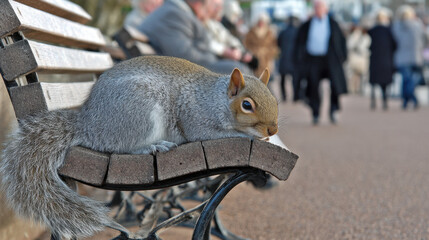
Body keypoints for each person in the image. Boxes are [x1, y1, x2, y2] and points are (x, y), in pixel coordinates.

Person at [137, 0, 250, 74]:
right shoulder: (173, 14)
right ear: (198, 4)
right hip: (168, 76)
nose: (208, 13)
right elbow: (185, 57)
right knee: (239, 71)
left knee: (238, 69)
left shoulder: (175, 11)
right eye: (208, 7)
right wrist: (212, 57)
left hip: (166, 72)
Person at [293, 0, 347, 125]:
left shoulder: (334, 24)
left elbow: (341, 42)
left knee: (335, 84)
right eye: (316, 7)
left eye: (320, 7)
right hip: (313, 59)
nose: (318, 10)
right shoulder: (307, 25)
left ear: (326, 9)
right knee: (313, 85)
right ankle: (315, 112)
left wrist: (343, 57)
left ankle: (333, 110)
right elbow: (299, 43)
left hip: (330, 59)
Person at [392, 5, 424, 110]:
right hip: (415, 57)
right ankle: (412, 98)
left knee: (405, 80)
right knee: (411, 80)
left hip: (401, 57)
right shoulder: (417, 25)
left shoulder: (396, 26)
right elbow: (423, 41)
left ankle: (406, 100)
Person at [368, 9, 397, 110]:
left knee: (374, 82)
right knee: (385, 83)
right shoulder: (389, 31)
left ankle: (373, 100)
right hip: (386, 59)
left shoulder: (372, 31)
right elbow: (395, 45)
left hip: (375, 60)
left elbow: (369, 45)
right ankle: (384, 100)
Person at [244, 12, 279, 77]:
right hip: (254, 58)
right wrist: (252, 52)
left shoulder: (269, 32)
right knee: (254, 76)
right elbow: (246, 43)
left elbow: (274, 45)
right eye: (260, 21)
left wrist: (269, 53)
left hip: (266, 59)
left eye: (262, 21)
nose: (261, 23)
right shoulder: (251, 31)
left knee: (266, 77)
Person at [277, 14, 301, 102]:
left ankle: (284, 96)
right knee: (295, 79)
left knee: (283, 79)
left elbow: (278, 43)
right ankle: (295, 96)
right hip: (294, 58)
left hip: (284, 58)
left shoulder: (283, 32)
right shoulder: (298, 31)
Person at [347, 22, 371, 95]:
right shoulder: (363, 37)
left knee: (356, 75)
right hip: (359, 59)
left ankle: (354, 89)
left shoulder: (354, 36)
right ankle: (356, 89)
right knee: (357, 75)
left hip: (357, 58)